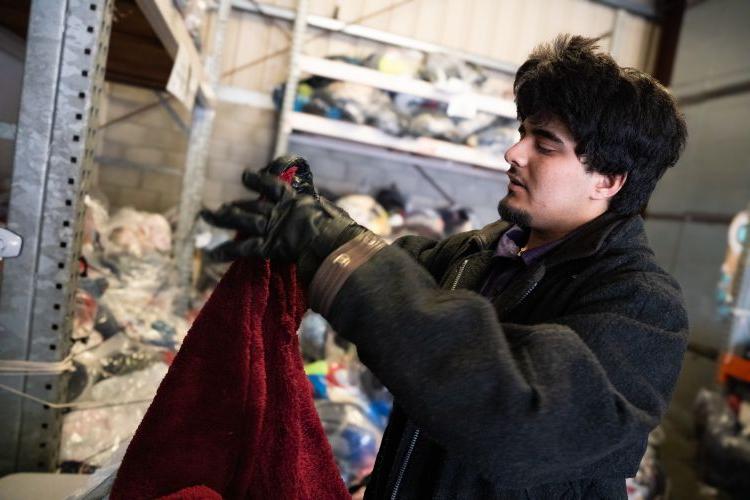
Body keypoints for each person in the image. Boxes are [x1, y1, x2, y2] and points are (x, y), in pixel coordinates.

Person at [201, 35, 688, 499]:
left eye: (545, 143)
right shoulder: (481, 253)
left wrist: (337, 247)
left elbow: (519, 418)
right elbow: (401, 285)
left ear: (608, 180)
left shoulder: (641, 305)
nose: (513, 153)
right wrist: (312, 228)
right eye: (523, 133)